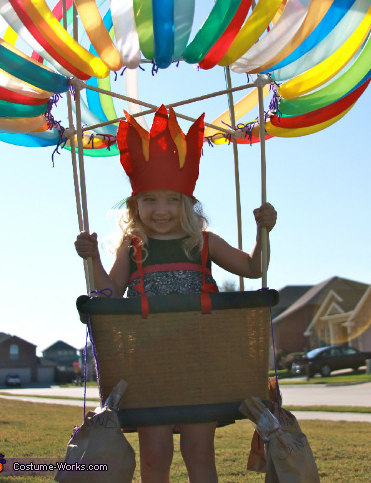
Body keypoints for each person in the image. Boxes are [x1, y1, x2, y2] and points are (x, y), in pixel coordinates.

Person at [75, 105, 277, 483]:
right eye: (150, 200)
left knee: (200, 455)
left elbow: (254, 268)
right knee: (155, 457)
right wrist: (91, 260)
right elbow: (108, 294)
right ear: (135, 204)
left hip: (200, 360)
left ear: (186, 203)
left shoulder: (204, 243)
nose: (161, 209)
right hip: (148, 365)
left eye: (171, 199)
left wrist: (263, 232)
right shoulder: (132, 249)